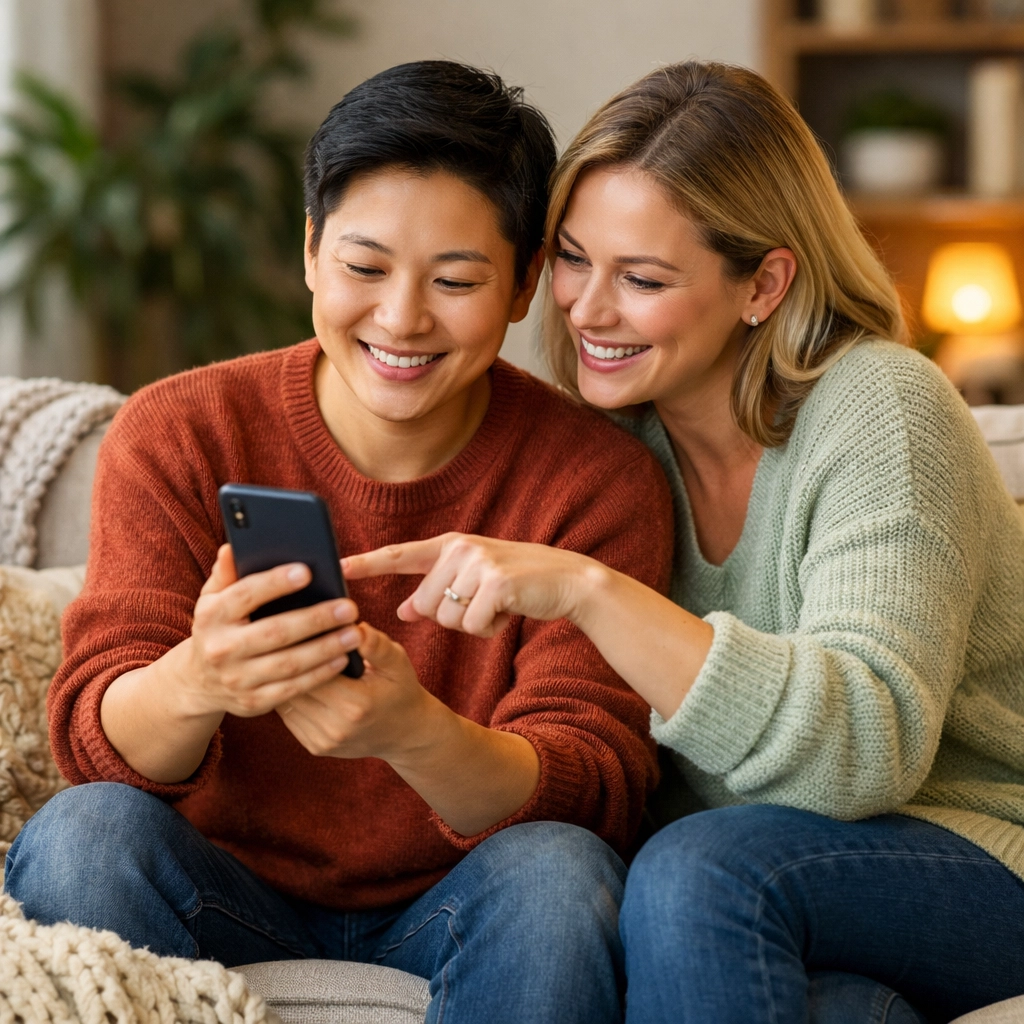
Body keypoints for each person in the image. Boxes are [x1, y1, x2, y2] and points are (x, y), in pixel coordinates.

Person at [343, 62, 1024, 1023]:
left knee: (702, 867)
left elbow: (867, 752)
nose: (585, 309)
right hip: (755, 900)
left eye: (644, 279)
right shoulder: (612, 447)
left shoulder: (881, 411)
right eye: (574, 259)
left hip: (973, 852)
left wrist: (592, 592)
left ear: (765, 283)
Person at [6, 61, 674, 1024]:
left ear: (527, 285)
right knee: (82, 835)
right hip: (216, 884)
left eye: (455, 281)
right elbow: (91, 740)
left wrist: (417, 734)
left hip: (464, 895)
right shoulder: (180, 430)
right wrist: (201, 681)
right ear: (311, 250)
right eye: (365, 268)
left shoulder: (595, 477)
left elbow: (593, 791)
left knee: (560, 872)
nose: (401, 318)